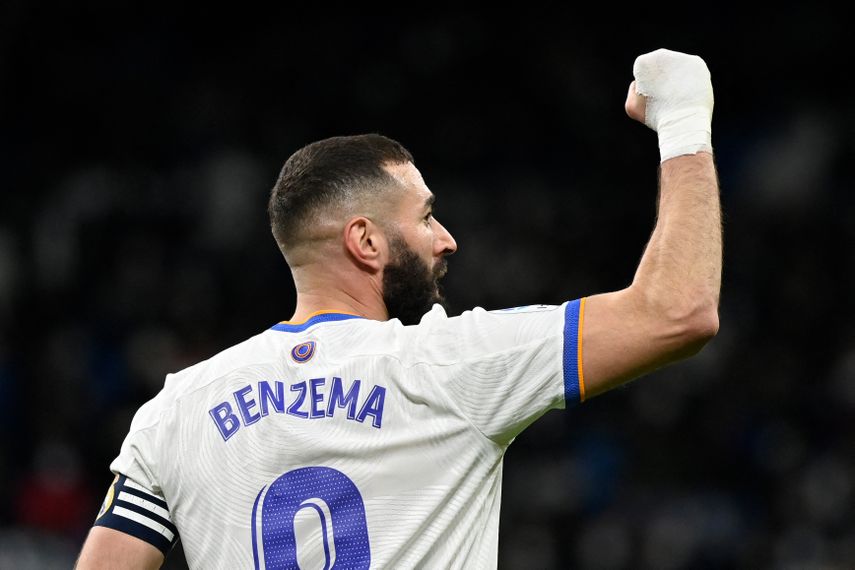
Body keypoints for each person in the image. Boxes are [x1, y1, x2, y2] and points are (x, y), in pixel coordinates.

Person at [76, 48, 721, 569]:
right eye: (427, 217)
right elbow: (678, 313)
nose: (447, 240)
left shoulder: (177, 410)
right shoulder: (448, 365)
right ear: (365, 241)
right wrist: (684, 118)